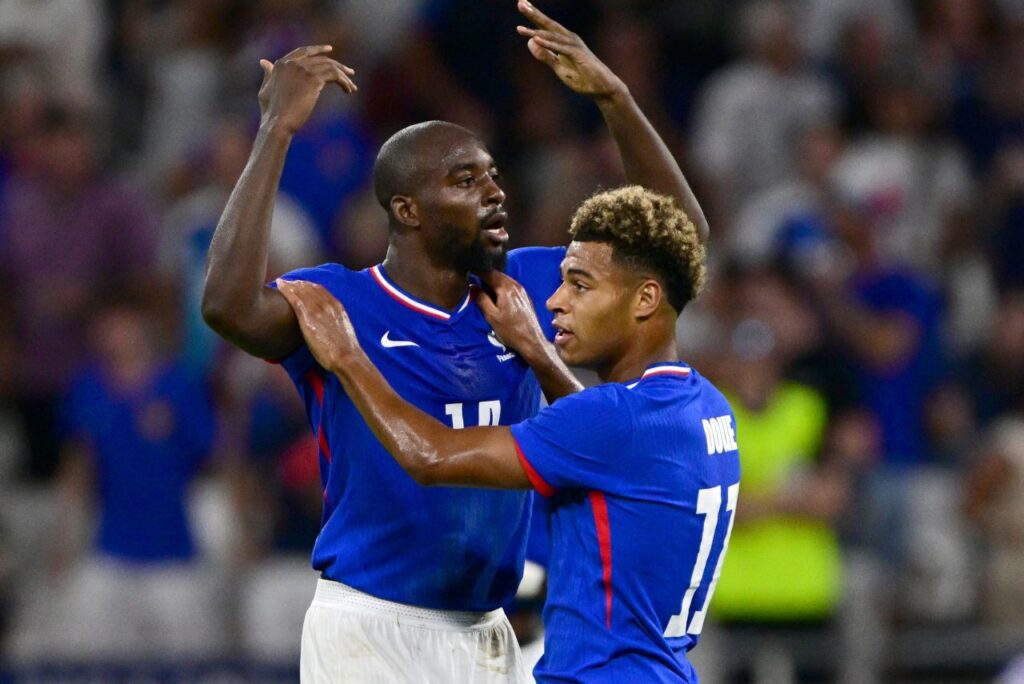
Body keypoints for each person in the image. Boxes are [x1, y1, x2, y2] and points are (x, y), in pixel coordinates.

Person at [200, 1, 708, 680]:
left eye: (493, 174)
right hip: (372, 628)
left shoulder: (527, 283)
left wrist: (614, 98)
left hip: (490, 629)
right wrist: (275, 132)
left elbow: (677, 244)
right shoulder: (342, 300)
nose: (495, 192)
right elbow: (226, 307)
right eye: (466, 181)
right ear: (407, 210)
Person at [276, 184, 738, 682]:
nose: (556, 301)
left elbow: (431, 457)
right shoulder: (705, 407)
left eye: (580, 286)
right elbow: (598, 435)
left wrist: (348, 358)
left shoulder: (613, 420)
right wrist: (539, 354)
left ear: (646, 298)